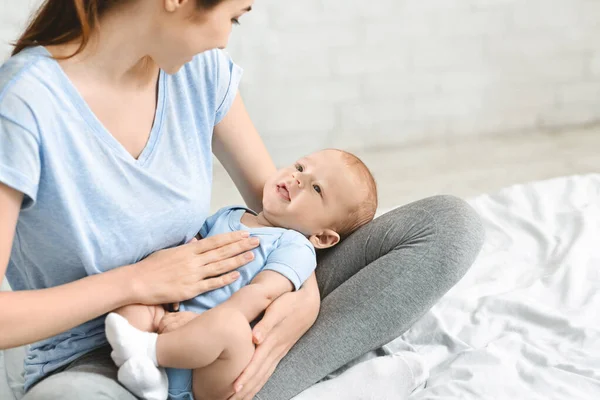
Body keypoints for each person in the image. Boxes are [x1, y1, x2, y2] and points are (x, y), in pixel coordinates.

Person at [0, 1, 485, 399]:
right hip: (102, 354)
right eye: (233, 17)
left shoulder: (198, 73)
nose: (225, 40)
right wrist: (136, 282)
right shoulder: (25, 104)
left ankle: (241, 382)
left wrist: (302, 296)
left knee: (448, 226)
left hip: (232, 321)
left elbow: (277, 212)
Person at [104, 149, 378, 400]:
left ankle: (149, 351)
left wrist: (200, 324)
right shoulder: (230, 213)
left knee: (231, 325)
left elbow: (262, 292)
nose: (297, 179)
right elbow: (189, 248)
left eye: (316, 188)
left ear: (322, 237)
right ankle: (151, 380)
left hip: (211, 368)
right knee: (136, 301)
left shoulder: (296, 246)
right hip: (170, 318)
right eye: (300, 167)